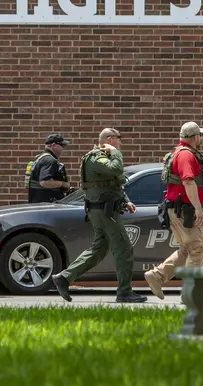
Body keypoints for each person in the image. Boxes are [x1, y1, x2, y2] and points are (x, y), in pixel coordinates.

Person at [52, 128, 147, 303]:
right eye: (118, 140)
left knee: (99, 249)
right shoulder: (96, 158)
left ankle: (64, 277)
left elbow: (112, 183)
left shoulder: (105, 157)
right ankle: (125, 292)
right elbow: (116, 169)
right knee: (124, 248)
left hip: (104, 209)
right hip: (104, 211)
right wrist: (116, 153)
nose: (120, 144)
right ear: (110, 140)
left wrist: (126, 200)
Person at [143, 122, 203, 300]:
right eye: (200, 136)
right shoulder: (186, 155)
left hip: (178, 209)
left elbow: (190, 181)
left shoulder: (179, 153)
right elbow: (188, 181)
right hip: (185, 211)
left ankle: (157, 276)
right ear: (195, 137)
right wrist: (199, 209)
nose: (201, 139)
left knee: (187, 250)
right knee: (196, 250)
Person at [25, 133, 72, 203]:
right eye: (62, 145)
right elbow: (45, 182)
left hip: (37, 202)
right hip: (47, 204)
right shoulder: (49, 160)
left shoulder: (39, 158)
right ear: (54, 145)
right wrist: (63, 184)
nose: (63, 149)